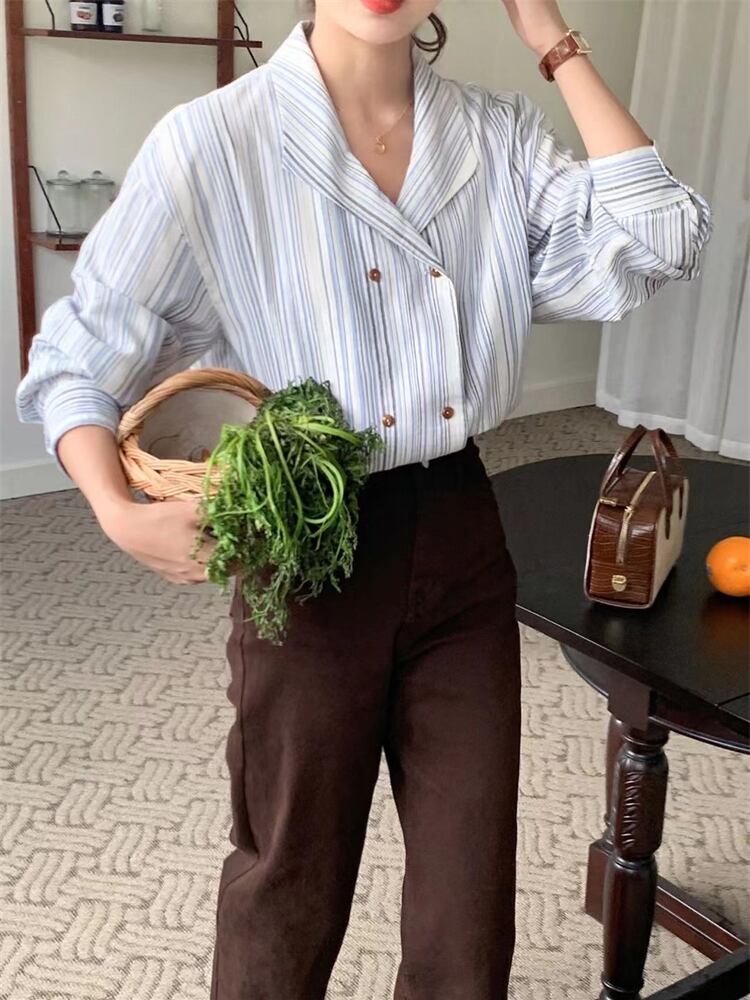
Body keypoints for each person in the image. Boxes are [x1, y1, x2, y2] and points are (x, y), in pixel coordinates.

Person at [14, 0, 713, 997]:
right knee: (288, 876)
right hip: (308, 540)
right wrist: (117, 512)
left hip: (461, 530)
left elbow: (663, 236)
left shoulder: (498, 137)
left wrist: (550, 38)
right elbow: (77, 356)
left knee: (469, 894)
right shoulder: (214, 143)